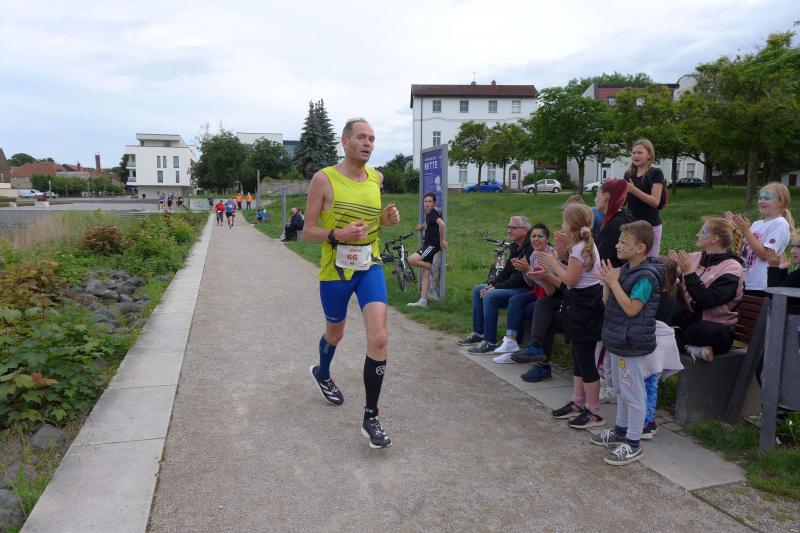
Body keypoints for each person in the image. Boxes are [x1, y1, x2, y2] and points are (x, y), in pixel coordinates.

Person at [303, 118, 400, 449]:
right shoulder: (324, 179)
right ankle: (322, 372)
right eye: (361, 137)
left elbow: (373, 223)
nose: (368, 143)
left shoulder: (376, 178)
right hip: (336, 270)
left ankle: (371, 417)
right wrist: (338, 234)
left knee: (380, 337)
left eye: (372, 138)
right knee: (336, 333)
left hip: (369, 265)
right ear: (345, 142)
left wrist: (384, 220)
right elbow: (307, 231)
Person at [591, 220, 665, 465]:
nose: (618, 245)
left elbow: (632, 309)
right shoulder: (626, 270)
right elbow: (608, 303)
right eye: (619, 240)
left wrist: (614, 283)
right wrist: (607, 283)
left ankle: (633, 443)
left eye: (624, 241)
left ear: (641, 247)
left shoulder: (646, 277)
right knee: (623, 390)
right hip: (618, 340)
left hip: (631, 344)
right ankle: (621, 430)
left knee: (633, 393)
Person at [536, 203, 605, 429]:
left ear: (572, 224)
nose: (562, 225)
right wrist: (558, 253)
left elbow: (570, 280)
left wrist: (553, 262)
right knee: (578, 357)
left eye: (564, 221)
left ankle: (593, 411)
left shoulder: (580, 248)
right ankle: (578, 402)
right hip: (581, 305)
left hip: (585, 306)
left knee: (585, 360)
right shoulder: (580, 245)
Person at [668, 217, 744, 361]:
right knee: (659, 320)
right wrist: (674, 273)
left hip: (716, 328)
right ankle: (686, 346)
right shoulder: (694, 257)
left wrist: (689, 273)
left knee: (702, 331)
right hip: (689, 320)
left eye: (703, 231)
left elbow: (707, 300)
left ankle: (676, 341)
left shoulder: (732, 268)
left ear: (714, 238)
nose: (698, 234)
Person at [457, 216, 533, 354]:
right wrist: (491, 284)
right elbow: (506, 271)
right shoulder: (515, 246)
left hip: (525, 289)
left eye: (513, 228)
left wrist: (495, 288)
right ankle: (479, 333)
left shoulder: (530, 248)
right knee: (478, 289)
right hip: (514, 286)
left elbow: (519, 280)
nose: (509, 230)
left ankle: (490, 341)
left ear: (524, 231)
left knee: (490, 296)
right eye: (508, 227)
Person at [491, 223, 552, 363]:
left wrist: (528, 269)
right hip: (537, 291)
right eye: (533, 236)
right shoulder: (534, 254)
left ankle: (514, 350)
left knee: (519, 308)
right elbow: (531, 283)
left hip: (548, 295)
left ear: (547, 239)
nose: (536, 239)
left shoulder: (550, 255)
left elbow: (548, 285)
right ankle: (511, 342)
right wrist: (525, 271)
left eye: (540, 236)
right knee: (515, 300)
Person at [726, 182, 793, 295]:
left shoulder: (780, 224)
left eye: (767, 198)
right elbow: (744, 252)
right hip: (744, 281)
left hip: (761, 284)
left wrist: (746, 231)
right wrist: (737, 232)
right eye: (760, 197)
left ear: (780, 202)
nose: (761, 201)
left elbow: (765, 255)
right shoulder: (757, 224)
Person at [624, 139, 666, 257]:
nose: (635, 155)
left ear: (649, 155)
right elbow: (624, 201)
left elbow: (655, 202)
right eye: (633, 153)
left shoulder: (656, 173)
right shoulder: (628, 174)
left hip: (650, 227)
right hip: (632, 225)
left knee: (649, 261)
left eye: (640, 152)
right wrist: (612, 189)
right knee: (631, 259)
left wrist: (634, 190)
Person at [407, 192, 447, 308]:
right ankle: (423, 301)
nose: (427, 204)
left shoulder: (433, 213)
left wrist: (441, 241)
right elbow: (430, 222)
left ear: (434, 203)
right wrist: (422, 226)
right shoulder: (429, 214)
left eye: (430, 202)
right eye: (425, 201)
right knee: (425, 273)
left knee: (411, 259)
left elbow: (442, 225)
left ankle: (430, 266)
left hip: (431, 246)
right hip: (428, 245)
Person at [595, 179, 636, 267]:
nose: (595, 200)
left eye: (597, 194)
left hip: (613, 271)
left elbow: (600, 257)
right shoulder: (623, 215)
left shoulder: (617, 223)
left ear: (605, 196)